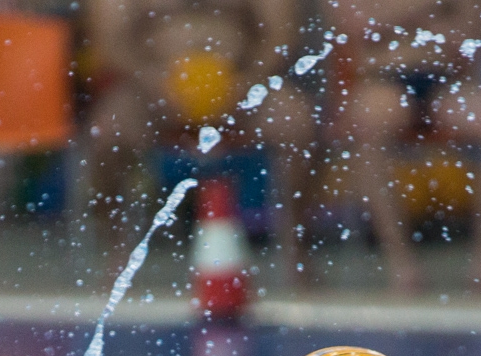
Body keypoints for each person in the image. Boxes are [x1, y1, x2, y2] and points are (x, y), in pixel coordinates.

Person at [326, 0, 481, 293]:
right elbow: (357, 25)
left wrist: (393, 18)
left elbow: (467, 36)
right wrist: (431, 8)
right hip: (382, 77)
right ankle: (402, 264)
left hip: (446, 81)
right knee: (367, 127)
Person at [83, 0, 315, 242]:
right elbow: (109, 41)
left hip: (243, 89)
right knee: (106, 130)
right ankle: (115, 245)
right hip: (150, 94)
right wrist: (150, 80)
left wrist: (248, 80)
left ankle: (296, 244)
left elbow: (281, 34)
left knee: (295, 121)